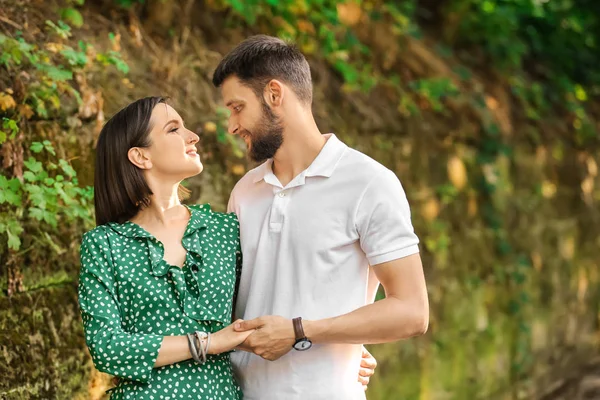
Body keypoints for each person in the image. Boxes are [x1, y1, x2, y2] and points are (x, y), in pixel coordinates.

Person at [212, 35, 430, 400]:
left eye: (237, 107)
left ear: (274, 95)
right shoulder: (245, 191)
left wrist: (302, 331)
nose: (231, 126)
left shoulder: (368, 183)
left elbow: (412, 311)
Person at [77, 97, 252, 399]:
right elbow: (106, 348)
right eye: (174, 129)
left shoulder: (226, 230)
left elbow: (273, 298)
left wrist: (328, 352)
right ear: (140, 157)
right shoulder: (104, 244)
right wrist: (207, 343)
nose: (192, 136)